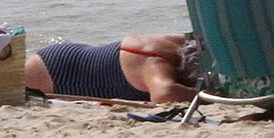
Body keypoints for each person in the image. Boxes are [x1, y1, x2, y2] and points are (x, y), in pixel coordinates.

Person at [25, 34, 197, 105]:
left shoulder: (186, 40)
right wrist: (210, 97)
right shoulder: (155, 63)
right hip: (56, 70)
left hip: (75, 58)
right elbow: (164, 94)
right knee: (5, 90)